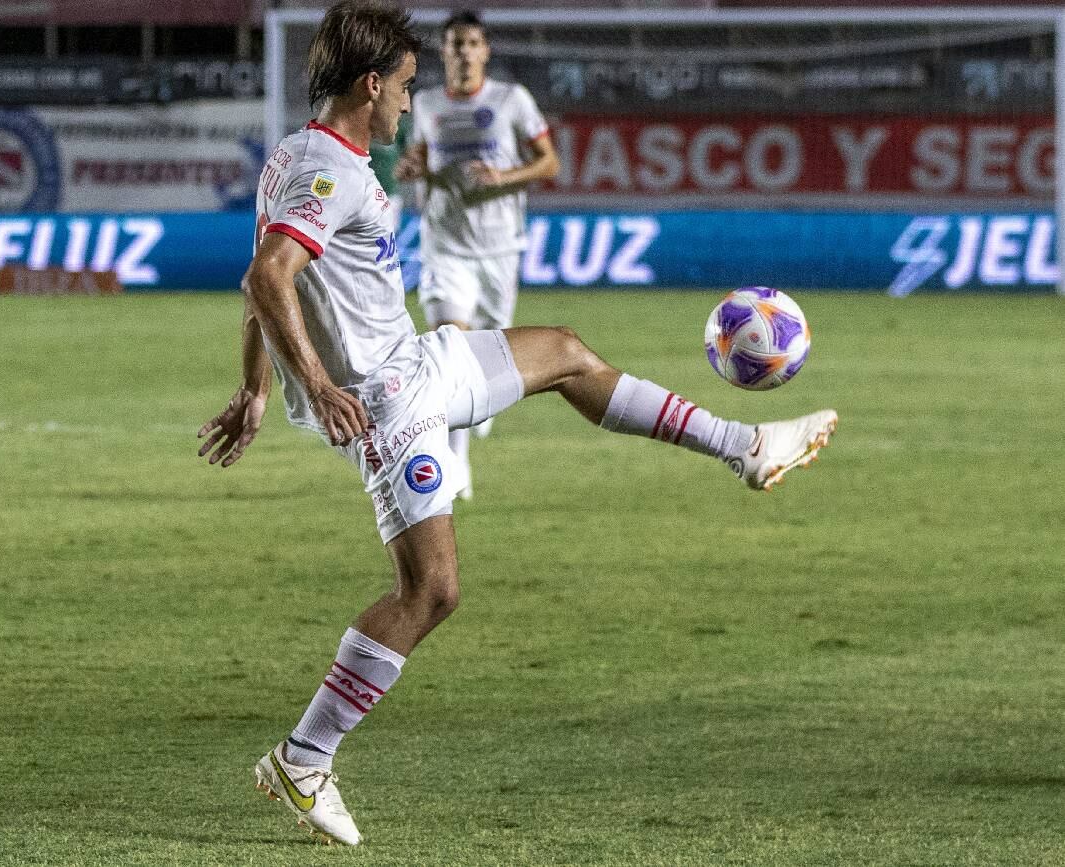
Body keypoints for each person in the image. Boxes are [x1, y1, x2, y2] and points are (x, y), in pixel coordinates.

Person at [198, 0, 837, 847]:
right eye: (404, 89)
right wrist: (314, 387)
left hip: (419, 366)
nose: (407, 106)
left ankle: (746, 446)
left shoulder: (299, 154)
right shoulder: (331, 172)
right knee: (431, 591)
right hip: (394, 402)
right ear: (370, 83)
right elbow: (270, 276)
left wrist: (252, 390)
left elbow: (260, 282)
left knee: (567, 351)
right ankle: (304, 755)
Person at [395, 10, 560, 499]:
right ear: (443, 52)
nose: (464, 51)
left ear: (485, 51)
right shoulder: (424, 104)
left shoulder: (511, 100)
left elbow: (549, 162)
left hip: (499, 248)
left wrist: (503, 178)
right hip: (445, 245)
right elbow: (423, 156)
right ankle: (456, 463)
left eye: (471, 43)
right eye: (455, 43)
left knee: (492, 354)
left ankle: (480, 408)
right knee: (452, 347)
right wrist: (412, 167)